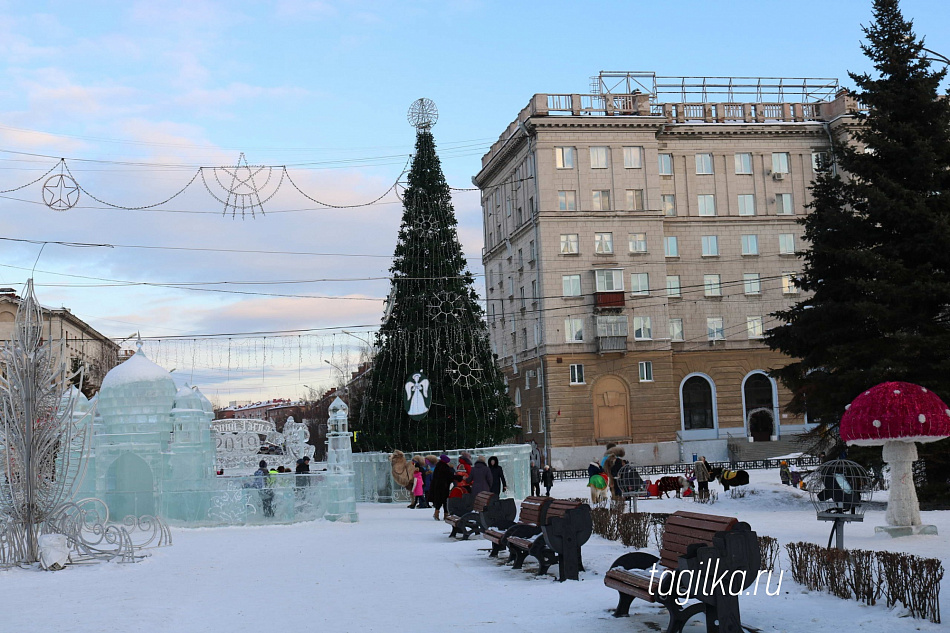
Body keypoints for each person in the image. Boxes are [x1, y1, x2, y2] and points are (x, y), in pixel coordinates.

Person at [429, 454, 454, 521]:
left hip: (437, 486)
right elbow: (450, 477)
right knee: (445, 501)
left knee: (439, 500)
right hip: (444, 487)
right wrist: (459, 477)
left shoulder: (438, 467)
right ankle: (446, 514)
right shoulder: (445, 468)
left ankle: (436, 513)